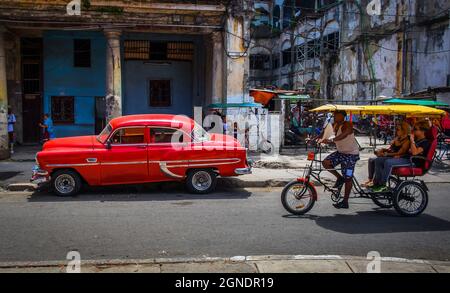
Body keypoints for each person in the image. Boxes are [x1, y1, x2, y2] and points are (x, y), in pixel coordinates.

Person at [371, 120, 431, 192]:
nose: (413, 131)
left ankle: (382, 185)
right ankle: (376, 182)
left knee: (388, 162)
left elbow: (414, 152)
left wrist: (412, 140)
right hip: (405, 158)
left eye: (415, 129)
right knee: (378, 160)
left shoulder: (425, 142)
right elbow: (405, 150)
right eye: (413, 129)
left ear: (423, 131)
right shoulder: (416, 139)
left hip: (413, 162)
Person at [321, 110, 360, 209]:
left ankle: (345, 201)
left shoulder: (348, 124)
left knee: (348, 177)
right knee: (326, 163)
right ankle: (339, 178)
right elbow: (325, 133)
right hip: (340, 152)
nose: (335, 117)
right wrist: (314, 139)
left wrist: (331, 140)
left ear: (343, 116)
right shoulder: (335, 125)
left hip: (351, 154)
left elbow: (344, 135)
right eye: (334, 115)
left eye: (337, 115)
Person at [362, 121, 411, 188]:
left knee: (379, 160)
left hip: (398, 157)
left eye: (398, 129)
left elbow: (399, 153)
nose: (396, 131)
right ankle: (371, 180)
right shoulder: (397, 138)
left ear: (404, 131)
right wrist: (383, 150)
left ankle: (379, 183)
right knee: (371, 160)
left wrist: (386, 154)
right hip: (391, 155)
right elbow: (391, 149)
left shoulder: (407, 141)